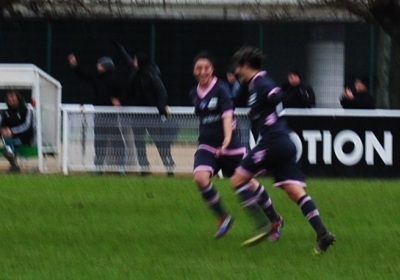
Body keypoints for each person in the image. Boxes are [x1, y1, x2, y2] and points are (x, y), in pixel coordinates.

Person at [230, 46, 335, 253]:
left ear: (245, 66)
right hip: (283, 141)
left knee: (238, 179)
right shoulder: (251, 85)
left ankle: (265, 223)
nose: (236, 71)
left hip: (272, 141)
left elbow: (274, 93)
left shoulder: (262, 82)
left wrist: (275, 96)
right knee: (294, 191)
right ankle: (322, 233)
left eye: (237, 67)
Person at [189, 51, 283, 244]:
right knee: (200, 178)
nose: (202, 72)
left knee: (250, 184)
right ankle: (224, 216)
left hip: (231, 147)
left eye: (206, 68)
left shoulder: (221, 90)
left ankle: (274, 220)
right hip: (207, 145)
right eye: (199, 68)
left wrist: (226, 140)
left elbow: (227, 117)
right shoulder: (194, 93)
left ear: (212, 70)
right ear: (194, 71)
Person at [114, 41, 176, 176]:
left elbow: (161, 93)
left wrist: (161, 109)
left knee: (159, 142)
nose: (134, 62)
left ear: (140, 62)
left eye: (136, 60)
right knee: (139, 143)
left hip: (152, 115)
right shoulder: (136, 72)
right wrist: (120, 48)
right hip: (137, 115)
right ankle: (144, 168)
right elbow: (127, 60)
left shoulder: (151, 75)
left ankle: (169, 166)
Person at [68, 53, 126, 174]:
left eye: (100, 64)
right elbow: (84, 75)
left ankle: (121, 167)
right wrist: (75, 66)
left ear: (106, 66)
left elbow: (124, 92)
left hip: (112, 116)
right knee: (100, 142)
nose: (97, 65)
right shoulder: (97, 78)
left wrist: (119, 100)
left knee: (117, 141)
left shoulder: (116, 79)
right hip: (99, 115)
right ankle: (98, 167)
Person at [1, 90, 34, 173]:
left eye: (13, 97)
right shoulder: (6, 113)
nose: (11, 99)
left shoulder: (27, 110)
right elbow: (3, 126)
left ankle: (12, 160)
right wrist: (3, 130)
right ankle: (11, 156)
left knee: (10, 143)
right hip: (10, 137)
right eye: (9, 98)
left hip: (25, 137)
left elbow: (27, 126)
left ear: (18, 98)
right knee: (7, 139)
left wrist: (12, 131)